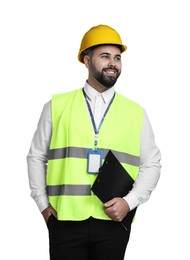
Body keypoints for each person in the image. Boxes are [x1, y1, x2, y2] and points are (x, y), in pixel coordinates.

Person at [27, 24, 161, 260]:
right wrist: (42, 205)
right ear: (86, 61)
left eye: (117, 57)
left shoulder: (136, 113)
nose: (113, 63)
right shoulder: (56, 107)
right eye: (105, 56)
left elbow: (152, 163)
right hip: (64, 219)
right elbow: (36, 157)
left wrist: (129, 203)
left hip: (113, 220)